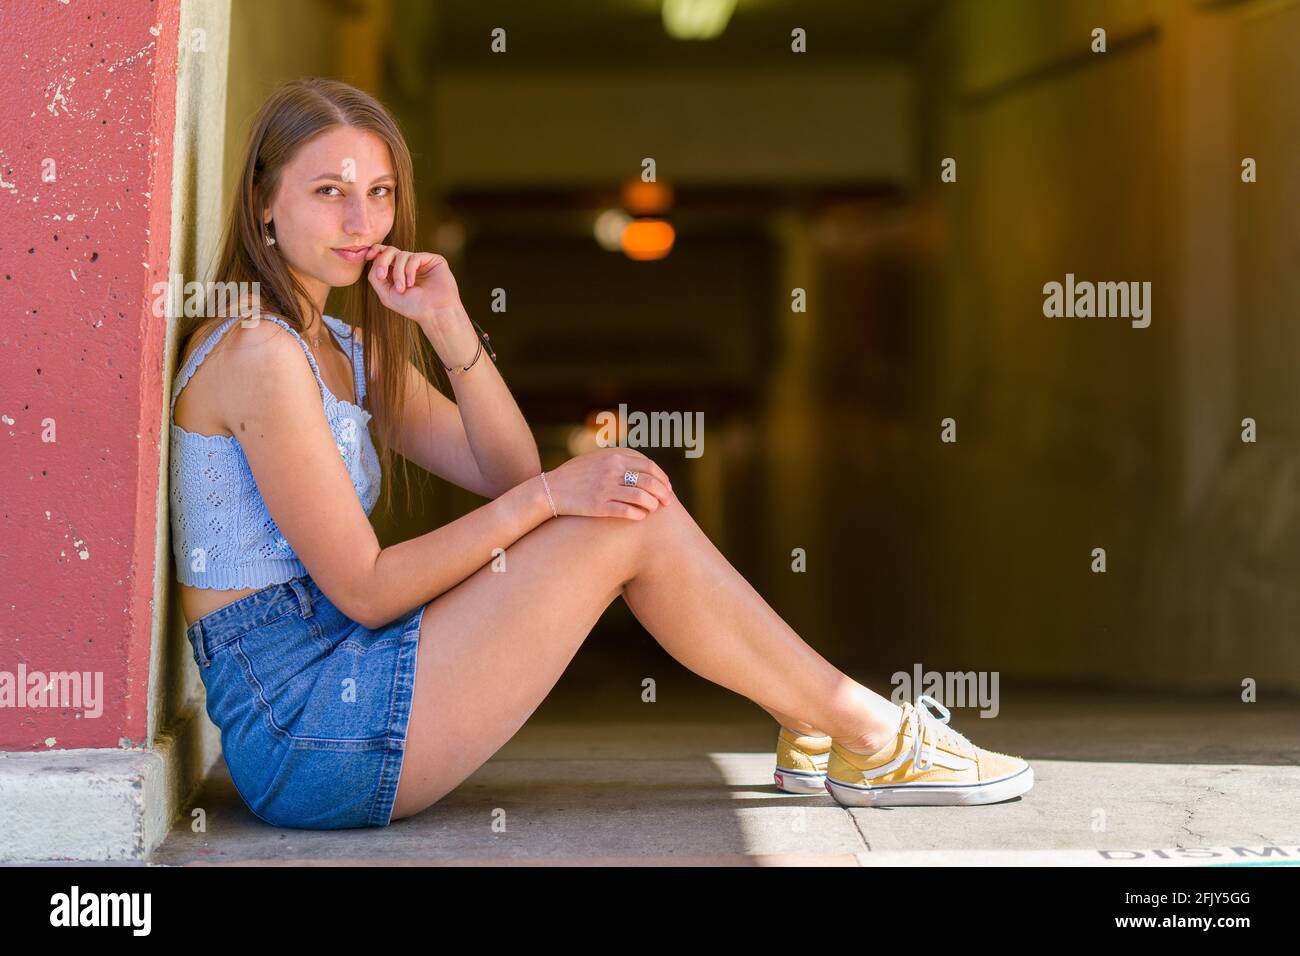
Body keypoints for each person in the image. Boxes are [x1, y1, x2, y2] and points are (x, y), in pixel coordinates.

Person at [170, 77, 1033, 830]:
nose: (364, 222)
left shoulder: (342, 351)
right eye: (330, 191)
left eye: (382, 192)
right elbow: (365, 588)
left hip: (342, 679)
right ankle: (866, 733)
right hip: (306, 729)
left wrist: (446, 321)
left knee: (621, 502)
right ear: (263, 202)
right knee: (619, 514)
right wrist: (551, 501)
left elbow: (509, 473)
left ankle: (825, 722)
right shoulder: (260, 354)